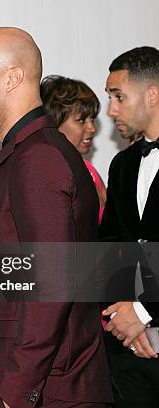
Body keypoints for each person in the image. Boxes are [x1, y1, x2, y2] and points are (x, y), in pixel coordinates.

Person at [0, 27, 112, 408]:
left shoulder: (38, 157)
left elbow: (52, 286)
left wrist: (14, 393)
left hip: (49, 389)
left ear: (12, 78)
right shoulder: (26, 152)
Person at [99, 46, 159, 407]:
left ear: (153, 94)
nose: (111, 110)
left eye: (119, 96)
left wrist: (144, 311)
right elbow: (109, 244)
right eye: (110, 97)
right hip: (129, 359)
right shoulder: (122, 165)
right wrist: (125, 313)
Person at [40, 75, 107, 221]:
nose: (92, 128)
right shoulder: (44, 175)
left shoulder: (89, 170)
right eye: (81, 120)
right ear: (54, 123)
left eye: (92, 119)